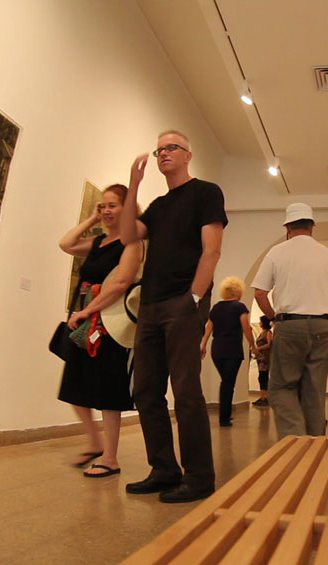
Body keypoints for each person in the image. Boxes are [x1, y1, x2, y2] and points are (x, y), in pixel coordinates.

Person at [120, 129, 226, 504]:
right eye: (159, 149)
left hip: (183, 302)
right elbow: (128, 234)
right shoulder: (159, 206)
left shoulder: (206, 192)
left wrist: (194, 297)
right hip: (150, 305)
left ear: (187, 155)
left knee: (185, 392)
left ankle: (199, 478)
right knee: (146, 391)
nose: (164, 153)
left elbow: (211, 250)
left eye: (171, 147)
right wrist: (134, 185)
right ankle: (164, 469)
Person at [57, 184, 142, 477]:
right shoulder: (98, 242)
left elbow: (121, 283)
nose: (106, 211)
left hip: (110, 322)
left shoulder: (132, 243)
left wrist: (87, 311)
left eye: (112, 205)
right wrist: (92, 219)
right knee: (74, 383)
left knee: (108, 389)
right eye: (102, 206)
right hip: (84, 319)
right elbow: (66, 244)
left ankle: (111, 457)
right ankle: (95, 442)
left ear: (127, 209)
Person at [252, 203, 328, 438]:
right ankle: (315, 442)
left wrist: (274, 319)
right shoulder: (325, 253)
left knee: (282, 386)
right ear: (312, 227)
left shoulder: (277, 252)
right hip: (323, 325)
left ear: (288, 228)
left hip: (290, 324)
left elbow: (259, 293)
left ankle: (296, 439)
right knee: (315, 389)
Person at [200, 276, 258, 427]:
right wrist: (253, 345)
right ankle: (224, 418)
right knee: (228, 382)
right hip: (233, 349)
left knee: (226, 381)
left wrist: (203, 344)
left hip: (217, 349)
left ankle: (225, 414)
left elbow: (208, 328)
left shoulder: (216, 308)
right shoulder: (240, 307)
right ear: (239, 291)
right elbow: (246, 328)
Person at [252, 316, 273, 406]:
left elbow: (269, 344)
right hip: (261, 358)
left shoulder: (268, 333)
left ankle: (265, 397)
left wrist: (258, 349)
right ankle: (263, 396)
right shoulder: (263, 333)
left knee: (263, 376)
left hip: (265, 358)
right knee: (262, 377)